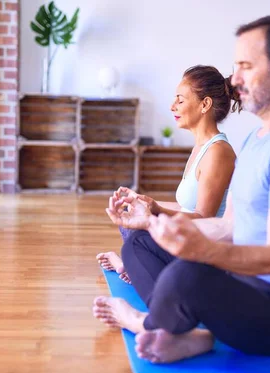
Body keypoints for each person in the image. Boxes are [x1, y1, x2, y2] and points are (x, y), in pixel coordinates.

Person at [93, 15, 270, 364]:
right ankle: (195, 336)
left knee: (188, 273)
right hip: (247, 288)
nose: (234, 79)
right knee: (147, 243)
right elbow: (227, 227)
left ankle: (142, 322)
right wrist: (151, 221)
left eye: (245, 66)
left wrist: (201, 252)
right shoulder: (257, 140)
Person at [96, 65, 240, 283]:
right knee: (130, 216)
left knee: (139, 238)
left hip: (205, 253)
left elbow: (205, 219)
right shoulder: (200, 148)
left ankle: (134, 269)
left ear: (205, 104)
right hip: (188, 239)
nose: (173, 106)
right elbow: (186, 209)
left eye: (180, 100)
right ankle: (136, 268)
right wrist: (146, 202)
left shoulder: (218, 152)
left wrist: (156, 211)